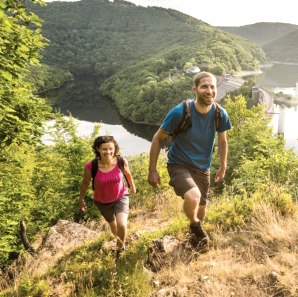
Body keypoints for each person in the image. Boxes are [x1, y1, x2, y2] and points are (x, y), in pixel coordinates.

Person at [148, 71, 232, 250]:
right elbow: (158, 138)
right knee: (194, 196)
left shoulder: (219, 114)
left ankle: (196, 239)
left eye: (212, 87)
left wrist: (223, 165)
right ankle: (194, 225)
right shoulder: (180, 112)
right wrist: (152, 170)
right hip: (179, 163)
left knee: (202, 206)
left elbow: (222, 140)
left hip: (202, 167)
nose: (209, 91)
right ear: (194, 89)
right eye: (204, 87)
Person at [78, 135, 136, 252]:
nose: (108, 152)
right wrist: (81, 199)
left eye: (111, 148)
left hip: (121, 196)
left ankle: (120, 248)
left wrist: (132, 186)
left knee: (122, 224)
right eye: (104, 149)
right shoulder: (91, 166)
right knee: (113, 225)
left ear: (115, 148)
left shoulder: (121, 161)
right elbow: (85, 183)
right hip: (102, 201)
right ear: (98, 149)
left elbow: (128, 174)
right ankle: (119, 241)